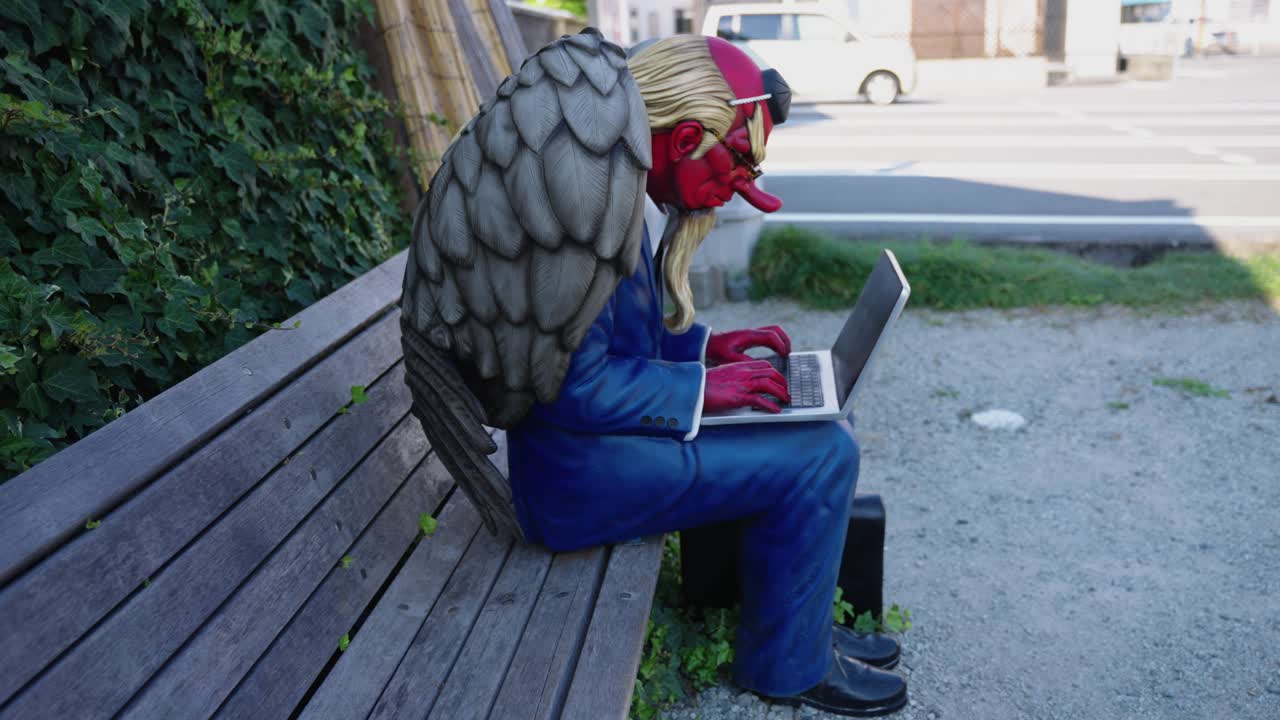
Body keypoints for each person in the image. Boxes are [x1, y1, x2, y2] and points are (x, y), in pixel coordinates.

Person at [400, 30, 907, 717]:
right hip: (577, 481)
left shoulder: (614, 183)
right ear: (685, 134)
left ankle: (805, 626)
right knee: (822, 452)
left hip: (588, 458)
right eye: (730, 167)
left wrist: (708, 350)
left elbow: (622, 340)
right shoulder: (594, 204)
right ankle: (788, 667)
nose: (734, 192)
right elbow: (577, 387)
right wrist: (707, 390)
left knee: (815, 431)